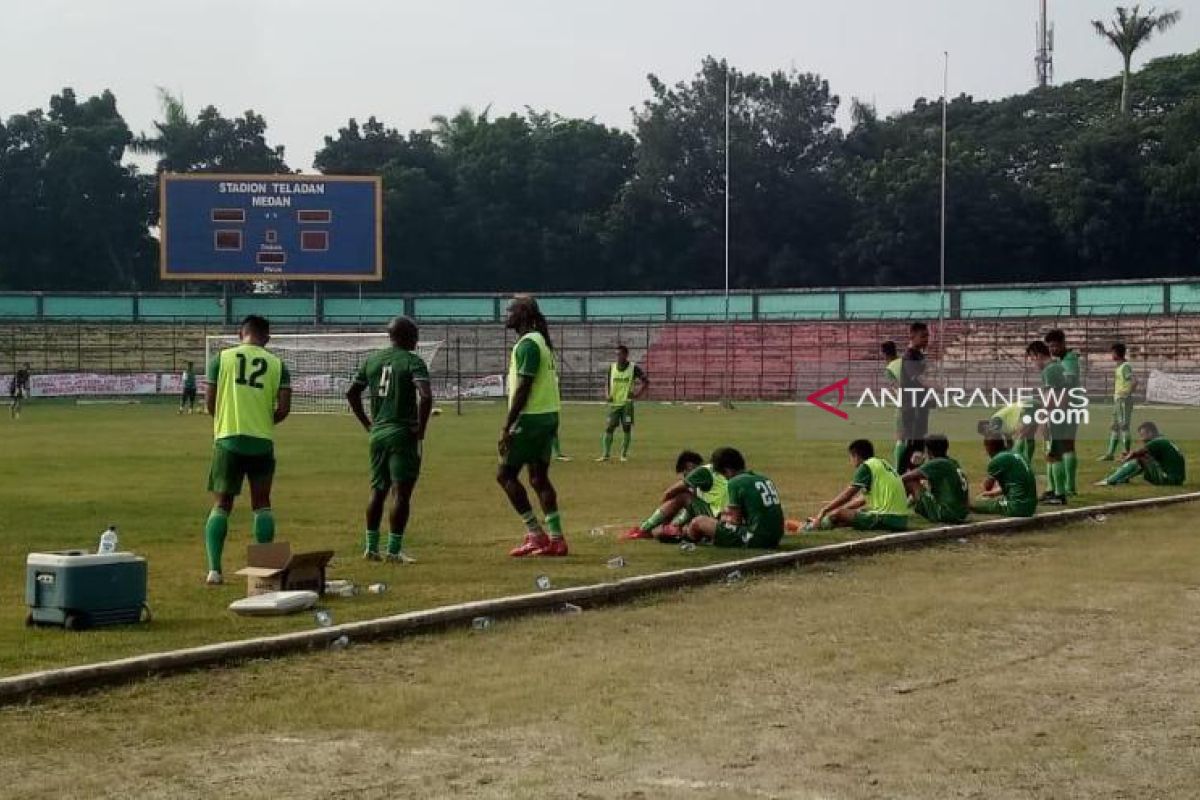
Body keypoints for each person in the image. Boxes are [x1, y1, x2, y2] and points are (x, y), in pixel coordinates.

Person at [203, 315, 291, 585]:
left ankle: (215, 570)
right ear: (267, 337)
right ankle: (263, 570)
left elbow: (209, 403)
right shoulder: (278, 365)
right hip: (262, 442)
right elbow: (284, 409)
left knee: (222, 505)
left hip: (228, 439)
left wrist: (226, 419)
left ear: (240, 333)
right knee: (262, 504)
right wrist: (264, 422)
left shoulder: (221, 359)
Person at [346, 316, 433, 564]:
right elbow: (425, 397)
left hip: (378, 433)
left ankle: (371, 548)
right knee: (401, 493)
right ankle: (393, 551)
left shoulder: (373, 360)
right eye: (415, 336)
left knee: (377, 490)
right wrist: (421, 428)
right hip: (401, 432)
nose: (417, 341)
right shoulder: (413, 362)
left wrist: (366, 423)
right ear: (407, 337)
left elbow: (351, 393)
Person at [498, 296, 568, 557]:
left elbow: (524, 387)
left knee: (504, 475)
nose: (507, 315)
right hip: (549, 415)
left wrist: (507, 425)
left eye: (511, 310)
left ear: (523, 314)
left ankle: (536, 535)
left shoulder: (528, 345)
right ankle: (557, 539)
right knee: (538, 478)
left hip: (531, 418)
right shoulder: (541, 342)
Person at [684, 447, 785, 549]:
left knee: (698, 522)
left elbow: (734, 521)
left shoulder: (735, 482)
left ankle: (685, 539)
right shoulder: (764, 478)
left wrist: (720, 524)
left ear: (727, 470)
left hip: (755, 538)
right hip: (775, 538)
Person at [621, 450, 729, 541]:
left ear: (689, 466)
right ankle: (666, 530)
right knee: (661, 534)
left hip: (716, 519)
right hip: (724, 519)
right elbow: (692, 509)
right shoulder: (716, 475)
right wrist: (675, 525)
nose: (685, 477)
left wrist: (665, 513)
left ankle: (643, 530)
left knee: (683, 495)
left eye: (684, 473)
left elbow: (669, 492)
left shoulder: (703, 472)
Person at [807, 439, 909, 532]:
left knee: (838, 514)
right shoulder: (881, 463)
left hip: (887, 518)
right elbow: (860, 500)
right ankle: (822, 524)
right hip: (901, 520)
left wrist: (824, 511)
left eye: (851, 457)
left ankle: (811, 527)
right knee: (853, 514)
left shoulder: (866, 467)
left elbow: (847, 496)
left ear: (856, 456)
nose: (850, 461)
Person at [1026, 340, 1071, 505]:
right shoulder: (1056, 367)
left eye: (1032, 359)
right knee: (1050, 453)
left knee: (1054, 455)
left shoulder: (1050, 370)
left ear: (1038, 355)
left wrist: (1045, 416)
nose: (1033, 363)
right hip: (1060, 414)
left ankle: (1059, 494)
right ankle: (1052, 490)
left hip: (1054, 416)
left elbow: (1053, 397)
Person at [1044, 329, 1081, 495]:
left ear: (1063, 344)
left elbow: (1069, 383)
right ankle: (1068, 487)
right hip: (1068, 406)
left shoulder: (1069, 360)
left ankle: (1066, 488)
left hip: (1067, 406)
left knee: (1063, 446)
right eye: (1050, 346)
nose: (1052, 350)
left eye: (1055, 346)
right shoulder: (1064, 360)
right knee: (1066, 445)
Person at [901, 433, 969, 524]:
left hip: (946, 514)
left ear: (929, 451)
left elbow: (904, 478)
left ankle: (896, 509)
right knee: (922, 484)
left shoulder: (937, 463)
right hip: (961, 514)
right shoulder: (952, 462)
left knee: (911, 482)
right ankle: (905, 507)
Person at [597, 345, 648, 462]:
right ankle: (605, 454)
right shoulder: (612, 367)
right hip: (614, 404)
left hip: (627, 404)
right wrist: (607, 394)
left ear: (626, 355)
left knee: (626, 428)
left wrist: (637, 395)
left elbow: (646, 381)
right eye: (616, 354)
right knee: (609, 428)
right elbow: (607, 382)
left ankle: (623, 455)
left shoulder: (634, 368)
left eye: (619, 354)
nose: (617, 357)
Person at [1096, 421, 1186, 487]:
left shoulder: (1156, 442)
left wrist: (1126, 458)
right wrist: (1130, 454)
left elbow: (1138, 453)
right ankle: (1123, 478)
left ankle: (1110, 481)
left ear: (1150, 433)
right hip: (1177, 480)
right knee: (1143, 458)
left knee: (1139, 460)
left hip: (1169, 479)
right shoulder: (1163, 440)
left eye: (1143, 435)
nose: (1142, 439)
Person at [970, 434, 1038, 518]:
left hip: (1016, 507)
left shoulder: (998, 460)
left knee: (974, 503)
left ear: (988, 447)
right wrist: (994, 493)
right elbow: (1017, 483)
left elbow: (987, 486)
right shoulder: (1018, 455)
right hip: (1031, 506)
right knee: (992, 499)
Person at [898, 322, 931, 472]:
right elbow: (919, 379)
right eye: (923, 336)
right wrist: (941, 388)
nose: (926, 339)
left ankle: (912, 475)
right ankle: (899, 474)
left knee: (918, 444)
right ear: (912, 336)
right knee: (912, 443)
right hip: (912, 406)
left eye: (927, 336)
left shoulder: (919, 355)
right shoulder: (909, 356)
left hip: (921, 405)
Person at [1100, 343, 1137, 461]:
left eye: (1112, 352)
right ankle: (1110, 454)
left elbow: (1135, 381)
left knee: (1123, 426)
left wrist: (1126, 394)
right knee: (1114, 426)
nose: (1111, 355)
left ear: (1116, 353)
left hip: (1123, 400)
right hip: (1118, 400)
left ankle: (1126, 453)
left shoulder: (1125, 366)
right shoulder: (1119, 366)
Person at [881, 340, 905, 468]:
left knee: (900, 438)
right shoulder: (905, 362)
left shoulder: (890, 369)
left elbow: (898, 388)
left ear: (884, 354)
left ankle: (898, 469)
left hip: (905, 405)